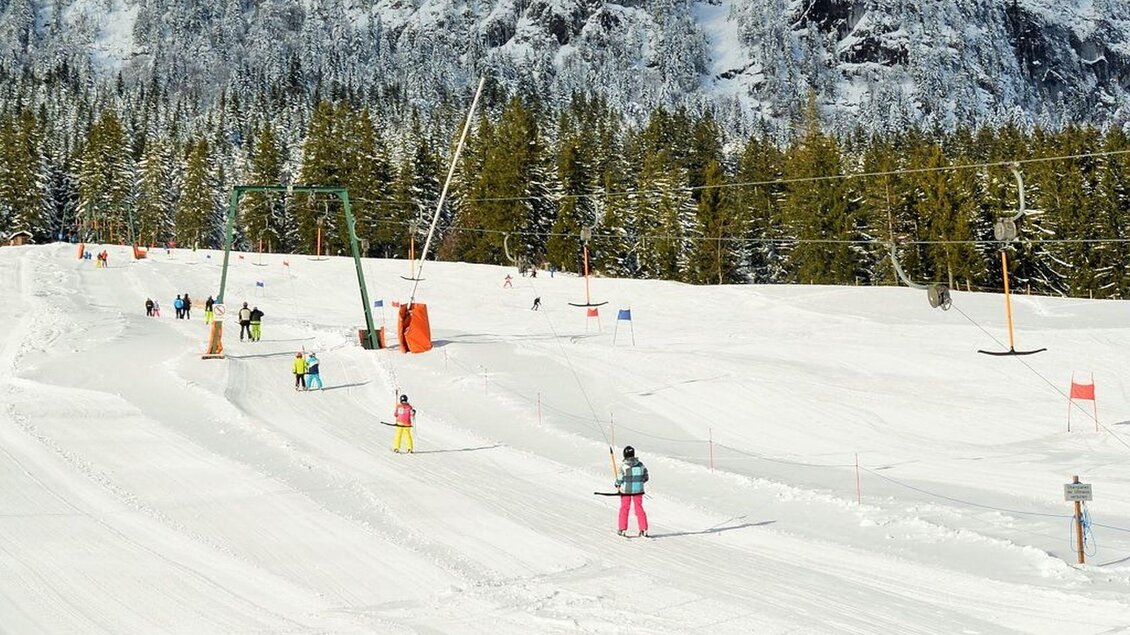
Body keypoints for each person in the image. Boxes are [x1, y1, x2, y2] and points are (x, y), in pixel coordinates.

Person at [615, 445, 649, 537]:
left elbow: (619, 478)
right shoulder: (641, 465)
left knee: (624, 508)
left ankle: (622, 529)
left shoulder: (623, 466)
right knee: (639, 508)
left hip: (626, 491)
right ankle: (644, 529)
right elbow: (646, 476)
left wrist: (617, 484)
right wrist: (640, 482)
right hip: (638, 491)